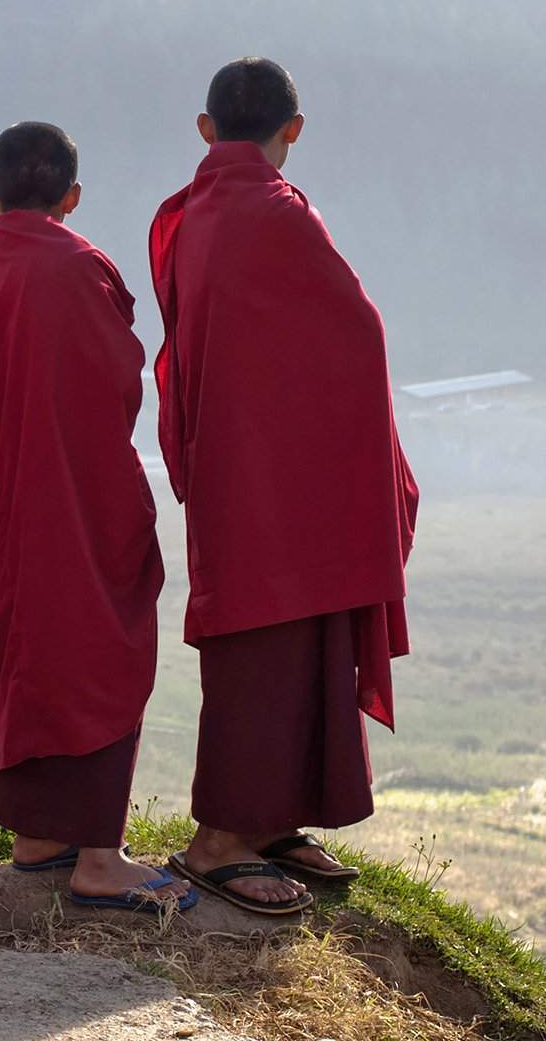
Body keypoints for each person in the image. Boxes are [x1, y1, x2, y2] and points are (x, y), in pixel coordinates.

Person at [151, 58, 417, 915]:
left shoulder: (194, 216)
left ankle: (269, 822)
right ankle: (219, 840)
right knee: (262, 649)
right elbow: (358, 335)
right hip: (278, 476)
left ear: (205, 128)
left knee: (286, 641)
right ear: (293, 129)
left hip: (250, 472)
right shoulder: (278, 213)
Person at [0, 123, 190, 914]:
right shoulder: (84, 268)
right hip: (76, 506)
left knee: (19, 652)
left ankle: (40, 835)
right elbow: (119, 386)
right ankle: (99, 858)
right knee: (95, 645)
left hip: (1, 517)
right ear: (72, 198)